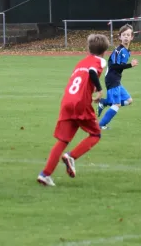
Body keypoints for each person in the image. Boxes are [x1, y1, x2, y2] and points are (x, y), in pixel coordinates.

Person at [37, 34, 110, 187]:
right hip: (80, 103)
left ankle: (45, 174)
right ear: (104, 51)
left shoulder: (80, 62)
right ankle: (71, 156)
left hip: (67, 101)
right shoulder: (100, 61)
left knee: (63, 140)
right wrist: (99, 89)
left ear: (88, 48)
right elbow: (91, 72)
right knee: (95, 134)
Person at [97, 24, 138, 129]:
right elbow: (114, 66)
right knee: (117, 104)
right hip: (112, 79)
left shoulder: (127, 51)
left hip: (117, 80)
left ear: (132, 37)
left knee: (129, 100)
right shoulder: (118, 50)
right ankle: (101, 125)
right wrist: (130, 65)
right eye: (124, 35)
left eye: (128, 35)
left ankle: (105, 102)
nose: (126, 37)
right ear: (120, 37)